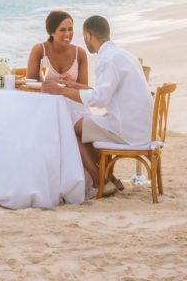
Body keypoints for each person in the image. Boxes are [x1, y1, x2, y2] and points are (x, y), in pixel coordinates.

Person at [40, 14, 153, 198]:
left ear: (89, 36)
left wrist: (60, 90)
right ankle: (109, 177)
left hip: (126, 129)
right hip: (142, 127)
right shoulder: (123, 54)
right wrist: (76, 86)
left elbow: (100, 99)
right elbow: (106, 92)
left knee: (71, 126)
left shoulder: (106, 59)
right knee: (87, 125)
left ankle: (98, 180)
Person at [26, 10, 89, 86]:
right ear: (52, 32)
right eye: (62, 30)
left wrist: (71, 83)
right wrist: (54, 81)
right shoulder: (39, 50)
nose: (67, 34)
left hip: (69, 98)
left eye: (70, 29)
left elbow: (84, 90)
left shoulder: (80, 54)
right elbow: (29, 85)